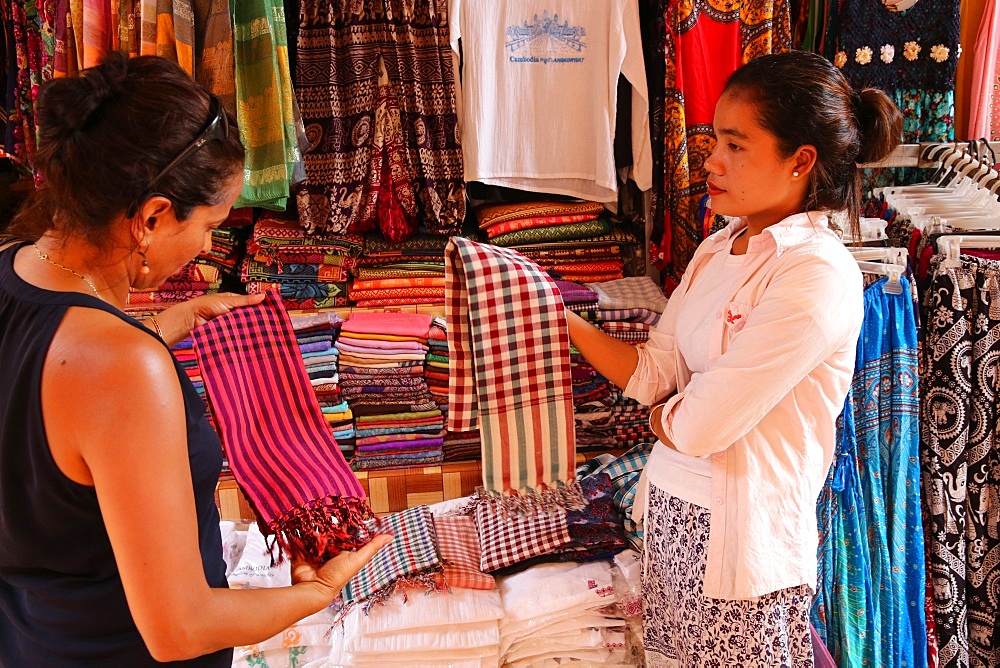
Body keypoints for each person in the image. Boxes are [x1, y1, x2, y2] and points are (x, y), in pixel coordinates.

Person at [0, 53, 392, 665]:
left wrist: (159, 327)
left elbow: (47, 419)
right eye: (210, 223)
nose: (210, 244)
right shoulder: (121, 366)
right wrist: (320, 589)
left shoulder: (12, 270)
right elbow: (180, 628)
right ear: (152, 216)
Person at [567, 51, 903, 665]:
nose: (712, 161)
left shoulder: (816, 273)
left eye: (737, 145)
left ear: (801, 160)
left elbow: (701, 424)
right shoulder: (721, 247)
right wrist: (559, 318)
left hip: (739, 556)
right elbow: (653, 374)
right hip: (672, 529)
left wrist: (668, 418)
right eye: (714, 139)